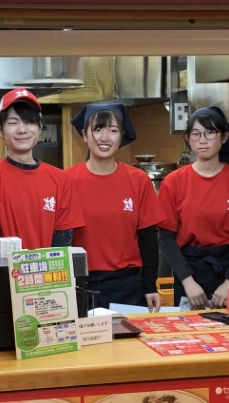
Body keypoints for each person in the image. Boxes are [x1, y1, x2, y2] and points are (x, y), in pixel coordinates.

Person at [157, 106, 229, 311]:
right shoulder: (173, 182)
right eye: (196, 134)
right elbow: (166, 238)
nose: (203, 140)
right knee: (187, 338)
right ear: (187, 139)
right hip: (188, 276)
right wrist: (187, 281)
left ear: (224, 137)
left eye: (210, 133)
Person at [67, 103, 164, 311]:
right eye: (98, 129)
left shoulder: (138, 180)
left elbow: (148, 239)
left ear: (121, 136)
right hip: (80, 287)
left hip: (129, 288)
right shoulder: (66, 181)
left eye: (112, 130)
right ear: (84, 135)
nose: (104, 137)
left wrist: (150, 285)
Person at [0, 88, 84, 249]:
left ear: (40, 127)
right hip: (2, 272)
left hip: (48, 272)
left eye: (29, 122)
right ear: (0, 129)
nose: (22, 129)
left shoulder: (61, 180)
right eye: (13, 123)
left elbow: (63, 244)